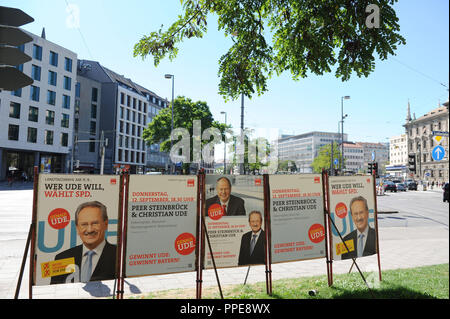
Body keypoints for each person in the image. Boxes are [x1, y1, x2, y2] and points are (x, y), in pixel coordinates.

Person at [50, 201, 116, 284]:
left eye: (95, 223)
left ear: (105, 224)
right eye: (84, 224)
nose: (89, 230)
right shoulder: (61, 258)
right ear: (77, 228)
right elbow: (55, 292)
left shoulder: (120, 257)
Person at [340, 196, 377, 260]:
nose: (359, 218)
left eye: (361, 212)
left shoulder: (376, 236)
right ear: (352, 216)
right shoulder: (345, 240)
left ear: (367, 213)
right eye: (355, 214)